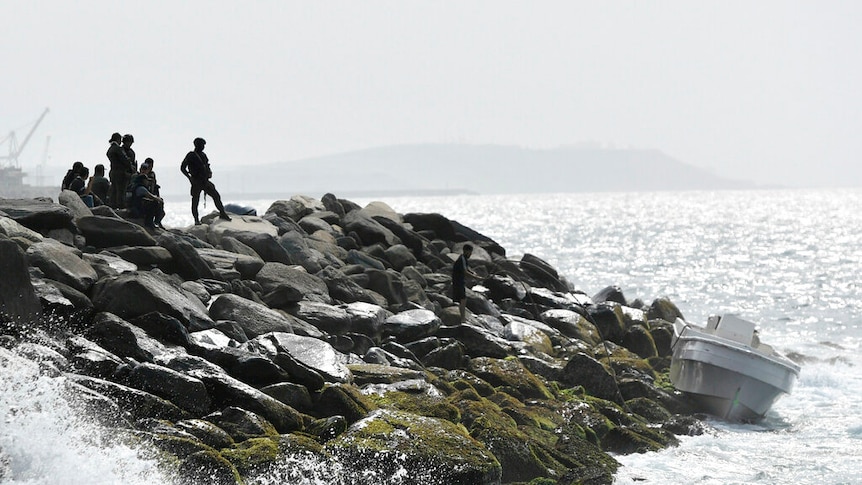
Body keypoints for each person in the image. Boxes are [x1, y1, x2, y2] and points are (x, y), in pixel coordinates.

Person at [180, 137, 231, 224]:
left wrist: (209, 172)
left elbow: (207, 165)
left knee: (216, 195)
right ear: (197, 145)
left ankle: (222, 213)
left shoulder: (203, 155)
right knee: (195, 201)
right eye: (202, 145)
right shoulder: (191, 155)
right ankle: (196, 220)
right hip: (196, 181)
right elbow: (182, 168)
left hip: (205, 181)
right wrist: (189, 178)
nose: (203, 147)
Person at [452, 244, 480, 323]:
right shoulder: (462, 259)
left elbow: (467, 268)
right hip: (458, 281)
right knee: (463, 299)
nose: (470, 254)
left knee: (462, 299)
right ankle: (462, 318)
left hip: (460, 281)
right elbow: (465, 272)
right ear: (466, 251)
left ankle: (462, 317)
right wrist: (476, 278)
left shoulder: (464, 259)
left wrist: (473, 273)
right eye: (470, 252)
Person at [106, 132, 132, 209]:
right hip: (121, 172)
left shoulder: (110, 149)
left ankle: (112, 205)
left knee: (114, 190)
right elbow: (124, 159)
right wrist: (130, 166)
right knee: (121, 190)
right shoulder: (117, 148)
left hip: (113, 171)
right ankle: (121, 206)